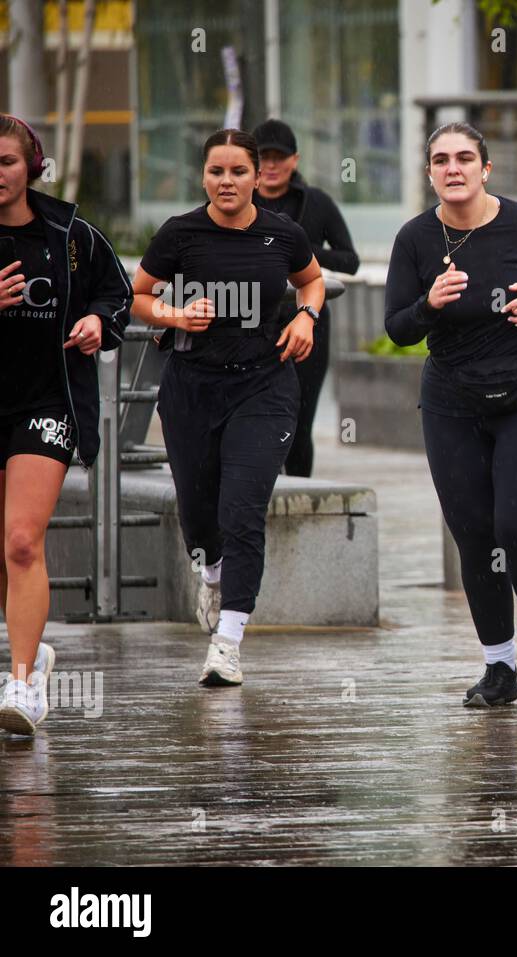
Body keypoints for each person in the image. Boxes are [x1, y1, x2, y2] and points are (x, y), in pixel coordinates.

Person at [385, 122, 517, 707]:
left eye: (465, 158)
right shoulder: (415, 240)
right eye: (442, 160)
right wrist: (428, 304)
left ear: (486, 168)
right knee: (475, 537)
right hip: (452, 404)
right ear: (430, 172)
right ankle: (498, 667)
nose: (454, 168)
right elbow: (397, 327)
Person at [131, 128, 325, 687]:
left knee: (243, 511)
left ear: (257, 177)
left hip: (264, 387)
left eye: (238, 171)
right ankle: (210, 574)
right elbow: (139, 296)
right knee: (199, 513)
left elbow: (311, 281)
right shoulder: (180, 233)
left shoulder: (281, 234)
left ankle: (229, 640)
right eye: (216, 172)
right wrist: (173, 315)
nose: (227, 182)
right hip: (192, 388)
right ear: (203, 177)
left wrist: (305, 316)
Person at [0, 114, 131, 733]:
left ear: (32, 167)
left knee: (22, 541)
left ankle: (22, 684)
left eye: (6, 162)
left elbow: (120, 291)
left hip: (46, 405)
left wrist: (100, 320)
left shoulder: (70, 233)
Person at [252, 118, 360, 477]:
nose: (270, 165)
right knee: (254, 418)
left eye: (278, 157)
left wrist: (304, 252)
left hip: (308, 320)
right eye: (262, 157)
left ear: (294, 160)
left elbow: (350, 260)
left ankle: (299, 494)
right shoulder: (236, 200)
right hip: (249, 321)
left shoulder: (317, 203)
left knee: (299, 421)